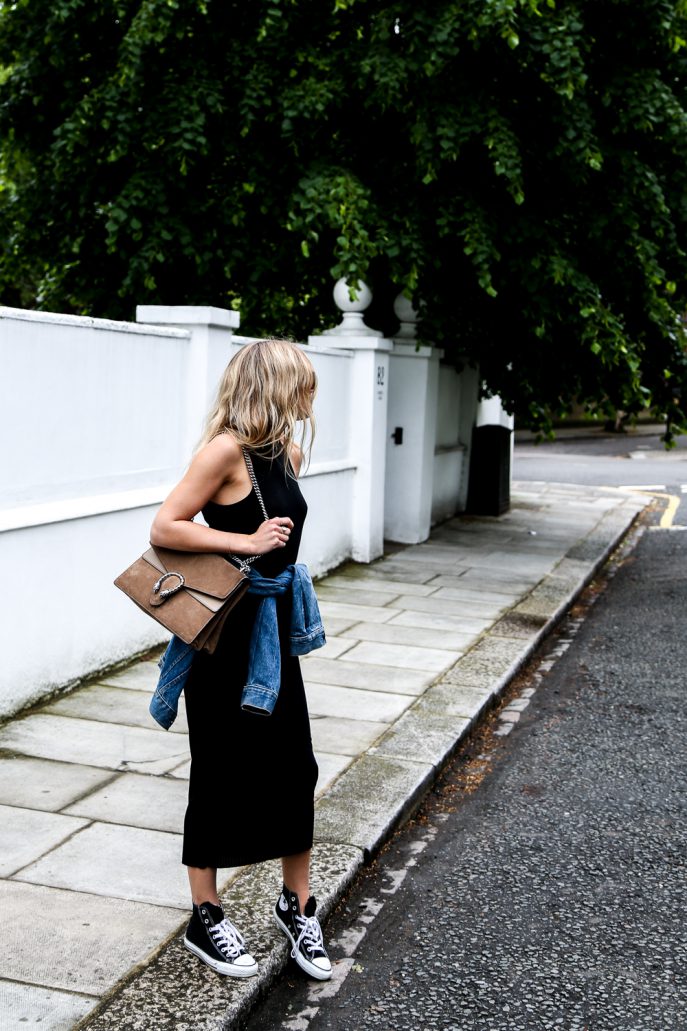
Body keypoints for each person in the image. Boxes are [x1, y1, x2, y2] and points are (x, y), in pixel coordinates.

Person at [150, 338, 331, 982]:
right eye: (301, 383)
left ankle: (298, 905)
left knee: (295, 765)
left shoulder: (284, 452)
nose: (310, 394)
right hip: (225, 637)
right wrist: (244, 540)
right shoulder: (224, 451)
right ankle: (206, 914)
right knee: (221, 767)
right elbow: (165, 526)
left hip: (274, 632)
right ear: (271, 384)